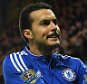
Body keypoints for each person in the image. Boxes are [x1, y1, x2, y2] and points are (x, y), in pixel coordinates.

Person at [3, 2, 87, 84]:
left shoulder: (76, 64)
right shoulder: (16, 61)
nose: (54, 27)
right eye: (45, 23)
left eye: (55, 22)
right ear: (28, 34)